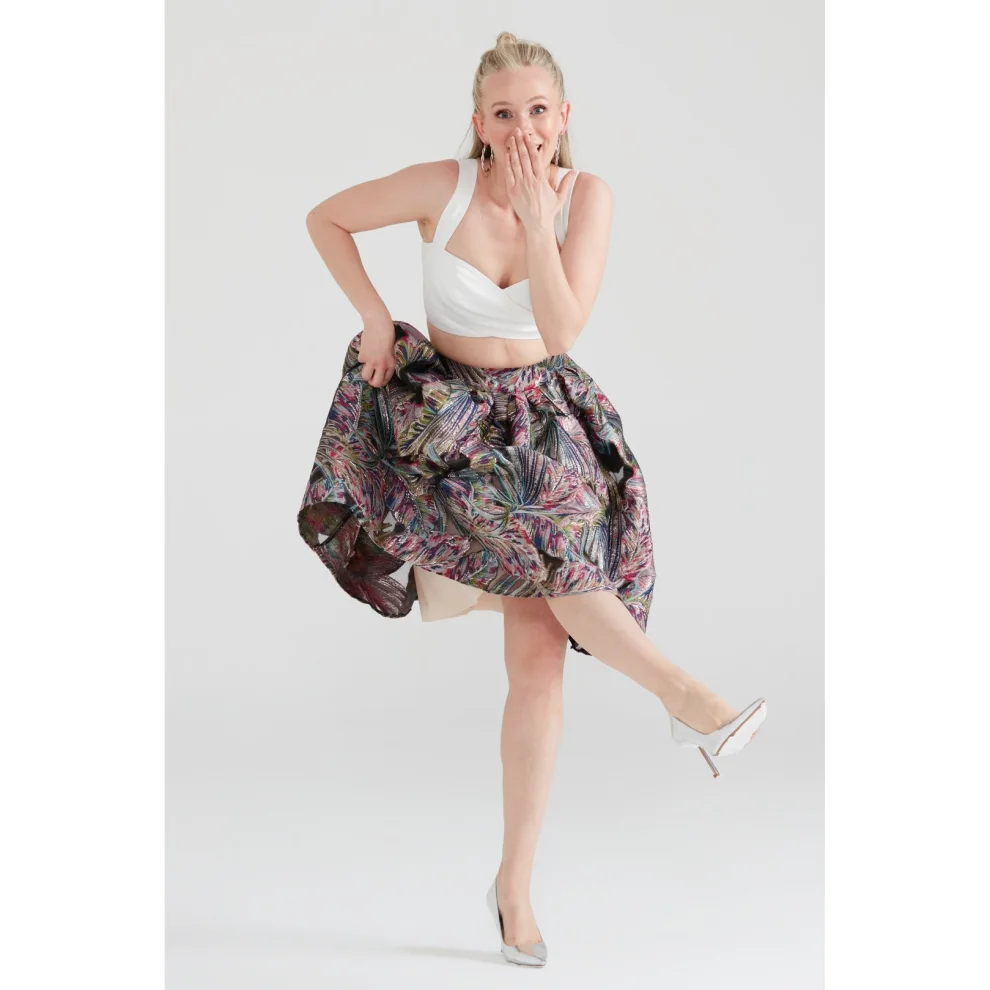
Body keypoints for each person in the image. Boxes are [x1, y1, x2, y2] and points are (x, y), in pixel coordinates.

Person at [298, 32, 766, 967]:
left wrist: (541, 217)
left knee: (538, 666)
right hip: (457, 429)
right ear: (479, 122)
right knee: (556, 559)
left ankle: (513, 887)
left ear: (565, 115)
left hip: (547, 425)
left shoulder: (588, 196)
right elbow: (327, 218)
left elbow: (561, 327)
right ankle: (692, 701)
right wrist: (373, 315)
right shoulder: (442, 186)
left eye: (539, 111)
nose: (523, 129)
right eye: (504, 113)